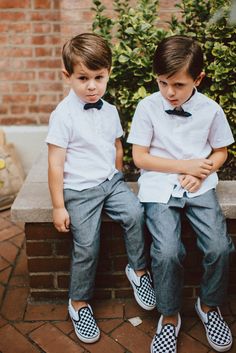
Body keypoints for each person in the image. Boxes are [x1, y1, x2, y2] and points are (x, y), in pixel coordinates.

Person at [46, 32, 156, 344]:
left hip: (110, 183)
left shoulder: (108, 110)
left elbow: (117, 146)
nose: (92, 85)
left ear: (108, 73)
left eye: (99, 77)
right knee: (87, 246)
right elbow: (55, 163)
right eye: (83, 78)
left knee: (136, 213)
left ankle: (138, 270)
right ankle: (78, 302)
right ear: (68, 76)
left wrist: (117, 174)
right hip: (79, 191)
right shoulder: (63, 116)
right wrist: (58, 205)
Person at [127, 35, 235, 353]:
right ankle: (169, 315)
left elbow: (220, 152)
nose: (170, 92)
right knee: (166, 253)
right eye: (163, 83)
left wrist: (202, 169)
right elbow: (140, 157)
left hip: (199, 186)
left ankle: (209, 306)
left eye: (179, 85)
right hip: (159, 185)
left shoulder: (211, 110)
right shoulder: (147, 107)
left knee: (220, 247)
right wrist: (183, 164)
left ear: (197, 79)